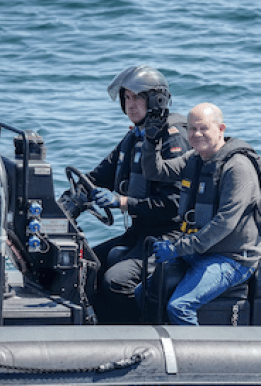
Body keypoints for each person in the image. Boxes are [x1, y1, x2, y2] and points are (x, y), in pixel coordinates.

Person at [82, 65, 190, 324]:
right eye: (127, 98)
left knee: (115, 280)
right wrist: (68, 202)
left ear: (155, 100)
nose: (131, 105)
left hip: (169, 236)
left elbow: (174, 204)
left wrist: (124, 202)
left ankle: (141, 335)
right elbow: (96, 177)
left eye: (137, 97)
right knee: (86, 262)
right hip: (140, 232)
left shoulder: (173, 140)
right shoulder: (134, 138)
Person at [140, 102, 261, 325]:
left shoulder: (237, 167)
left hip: (232, 258)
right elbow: (155, 171)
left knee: (180, 307)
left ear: (221, 129)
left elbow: (224, 224)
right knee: (144, 291)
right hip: (201, 250)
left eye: (204, 128)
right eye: (191, 129)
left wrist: (178, 248)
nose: (196, 134)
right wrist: (151, 141)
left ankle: (194, 357)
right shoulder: (195, 159)